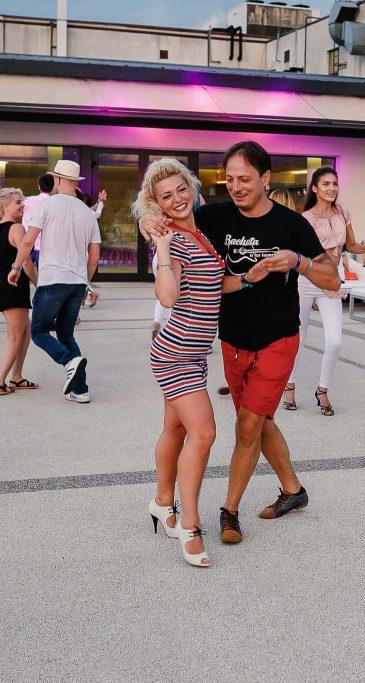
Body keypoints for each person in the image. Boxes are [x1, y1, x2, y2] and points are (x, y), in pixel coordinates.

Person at [139, 140, 340, 546]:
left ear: (266, 179)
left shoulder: (291, 224)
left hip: (277, 338)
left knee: (248, 423)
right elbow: (168, 213)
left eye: (245, 179)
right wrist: (147, 221)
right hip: (231, 341)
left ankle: (229, 511)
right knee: (259, 420)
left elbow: (333, 279)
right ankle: (293, 489)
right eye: (229, 179)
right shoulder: (213, 216)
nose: (236, 186)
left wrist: (298, 262)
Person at [136, 158, 266, 567]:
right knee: (204, 434)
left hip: (194, 353)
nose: (176, 199)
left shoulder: (200, 233)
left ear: (192, 187)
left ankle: (162, 502)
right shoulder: (172, 240)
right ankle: (190, 525)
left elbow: (214, 282)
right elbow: (168, 296)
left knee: (175, 429)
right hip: (175, 353)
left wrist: (250, 277)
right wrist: (160, 245)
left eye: (181, 189)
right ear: (156, 204)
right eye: (165, 196)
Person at [8, 160, 101, 404]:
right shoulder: (88, 213)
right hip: (77, 281)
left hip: (52, 279)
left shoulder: (47, 205)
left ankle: (69, 361)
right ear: (75, 182)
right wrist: (86, 283)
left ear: (58, 180)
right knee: (66, 334)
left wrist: (16, 267)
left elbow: (28, 241)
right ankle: (80, 389)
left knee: (39, 331)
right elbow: (94, 256)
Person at [287, 167, 365, 415]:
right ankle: (289, 385)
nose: (332, 188)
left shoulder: (343, 212)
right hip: (306, 281)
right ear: (314, 188)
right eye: (326, 184)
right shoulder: (305, 218)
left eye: (335, 183)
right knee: (298, 339)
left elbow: (351, 245)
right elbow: (302, 254)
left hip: (332, 281)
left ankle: (322, 389)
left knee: (334, 340)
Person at [0, 188, 39, 396]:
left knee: (25, 333)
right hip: (13, 284)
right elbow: (26, 262)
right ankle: (0, 382)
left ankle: (17, 376)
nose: (22, 205)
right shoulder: (17, 228)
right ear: (5, 206)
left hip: (0, 282)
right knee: (15, 336)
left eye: (22, 201)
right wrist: (38, 283)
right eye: (17, 202)